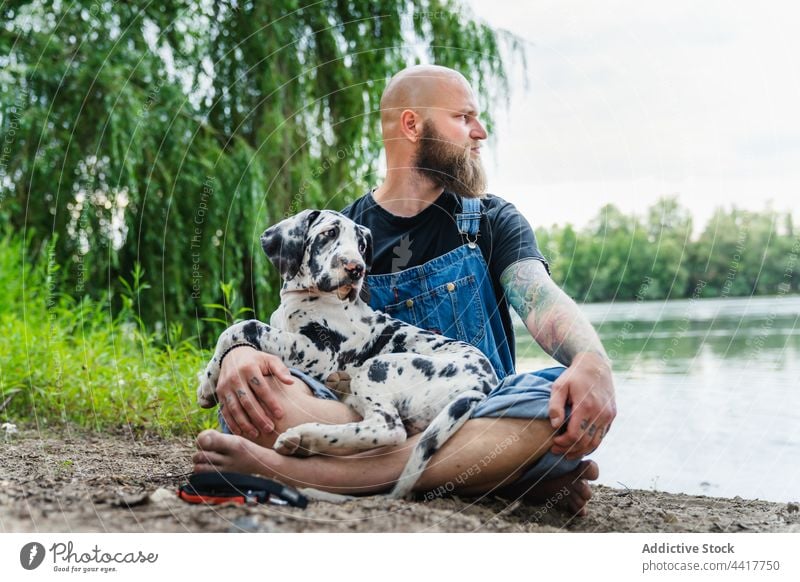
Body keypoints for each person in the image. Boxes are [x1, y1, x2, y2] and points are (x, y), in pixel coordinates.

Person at [193, 64, 616, 516]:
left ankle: (310, 473)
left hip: (473, 413)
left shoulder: (491, 221)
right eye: (464, 117)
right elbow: (298, 338)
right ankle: (489, 474)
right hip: (362, 419)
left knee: (552, 401)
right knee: (258, 393)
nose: (481, 132)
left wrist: (591, 360)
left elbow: (538, 295)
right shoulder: (341, 237)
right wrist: (242, 353)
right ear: (412, 124)